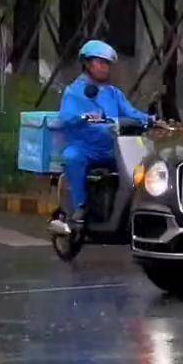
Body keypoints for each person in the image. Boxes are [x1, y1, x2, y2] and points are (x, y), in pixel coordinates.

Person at [49, 39, 154, 236]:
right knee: (73, 157)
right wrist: (82, 117)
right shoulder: (74, 91)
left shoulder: (114, 93)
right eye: (99, 62)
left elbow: (131, 113)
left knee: (146, 164)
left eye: (107, 63)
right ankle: (79, 209)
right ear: (87, 64)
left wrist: (152, 120)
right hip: (86, 148)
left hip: (115, 148)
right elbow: (66, 117)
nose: (104, 67)